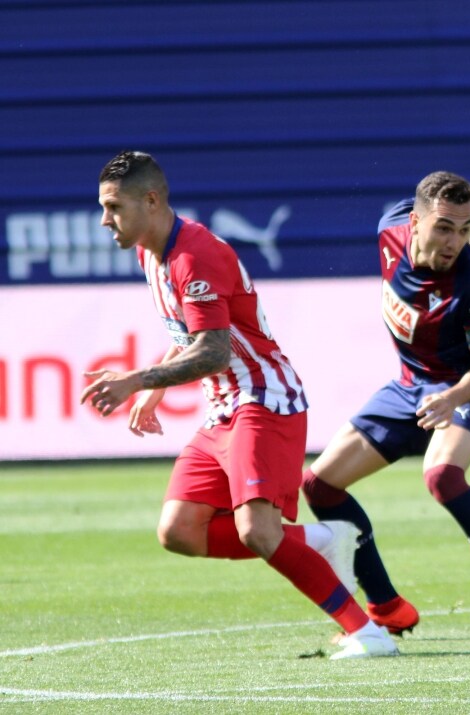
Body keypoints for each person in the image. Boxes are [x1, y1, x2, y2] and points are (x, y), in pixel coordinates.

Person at [81, 150, 397, 660]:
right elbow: (186, 333)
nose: (104, 219)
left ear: (152, 199)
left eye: (113, 207)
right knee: (179, 531)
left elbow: (214, 350)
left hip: (265, 399)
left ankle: (366, 634)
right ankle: (318, 540)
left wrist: (137, 378)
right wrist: (153, 390)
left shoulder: (195, 257)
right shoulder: (150, 252)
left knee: (256, 530)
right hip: (224, 408)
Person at [302, 171, 470, 644]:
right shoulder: (389, 228)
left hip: (469, 388)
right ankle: (387, 607)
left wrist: (452, 397)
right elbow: (415, 204)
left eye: (463, 230)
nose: (454, 241)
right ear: (414, 222)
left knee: (442, 477)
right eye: (444, 227)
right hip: (409, 385)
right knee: (319, 485)